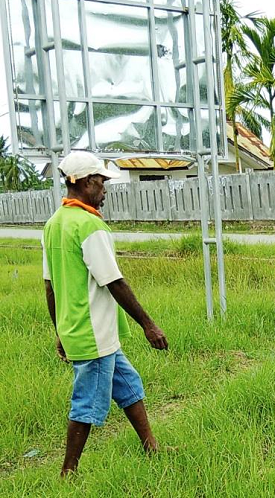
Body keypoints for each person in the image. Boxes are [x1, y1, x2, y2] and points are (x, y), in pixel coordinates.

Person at [42, 152, 169, 476]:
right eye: (101, 182)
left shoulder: (54, 224)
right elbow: (115, 282)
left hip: (80, 329)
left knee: (128, 385)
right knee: (87, 404)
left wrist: (60, 330)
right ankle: (68, 473)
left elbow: (50, 285)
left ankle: (152, 448)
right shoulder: (89, 225)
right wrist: (149, 325)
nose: (105, 190)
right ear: (85, 183)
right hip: (93, 331)